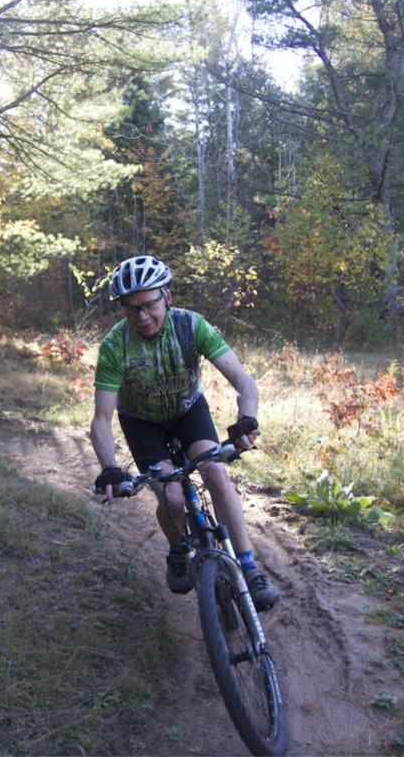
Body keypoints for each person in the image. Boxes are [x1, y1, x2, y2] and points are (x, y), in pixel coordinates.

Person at [89, 254, 279, 611]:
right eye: (131, 310)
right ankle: (178, 549)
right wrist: (109, 466)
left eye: (149, 305)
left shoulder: (192, 327)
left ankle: (250, 568)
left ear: (168, 297)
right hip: (142, 423)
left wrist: (247, 419)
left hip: (187, 411)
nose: (142, 317)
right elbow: (101, 418)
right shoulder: (115, 346)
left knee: (215, 472)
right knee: (172, 496)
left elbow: (242, 379)